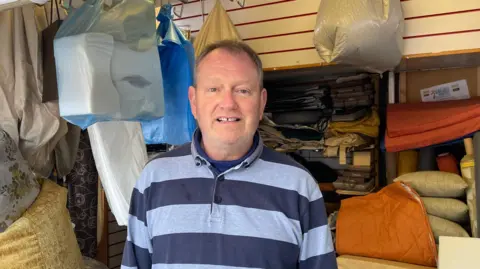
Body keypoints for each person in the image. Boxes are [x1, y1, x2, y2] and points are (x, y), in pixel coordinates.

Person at [121, 40, 337, 269]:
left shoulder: (299, 187)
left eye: (243, 91)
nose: (228, 103)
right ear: (194, 101)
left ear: (261, 102)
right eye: (214, 89)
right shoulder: (153, 179)